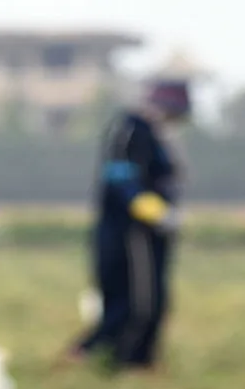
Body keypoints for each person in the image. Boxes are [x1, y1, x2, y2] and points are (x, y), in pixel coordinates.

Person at [74, 76, 192, 371]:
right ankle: (125, 363)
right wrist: (155, 212)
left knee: (149, 300)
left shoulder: (159, 134)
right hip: (131, 232)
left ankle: (133, 360)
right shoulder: (131, 129)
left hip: (152, 233)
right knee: (138, 300)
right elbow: (122, 179)